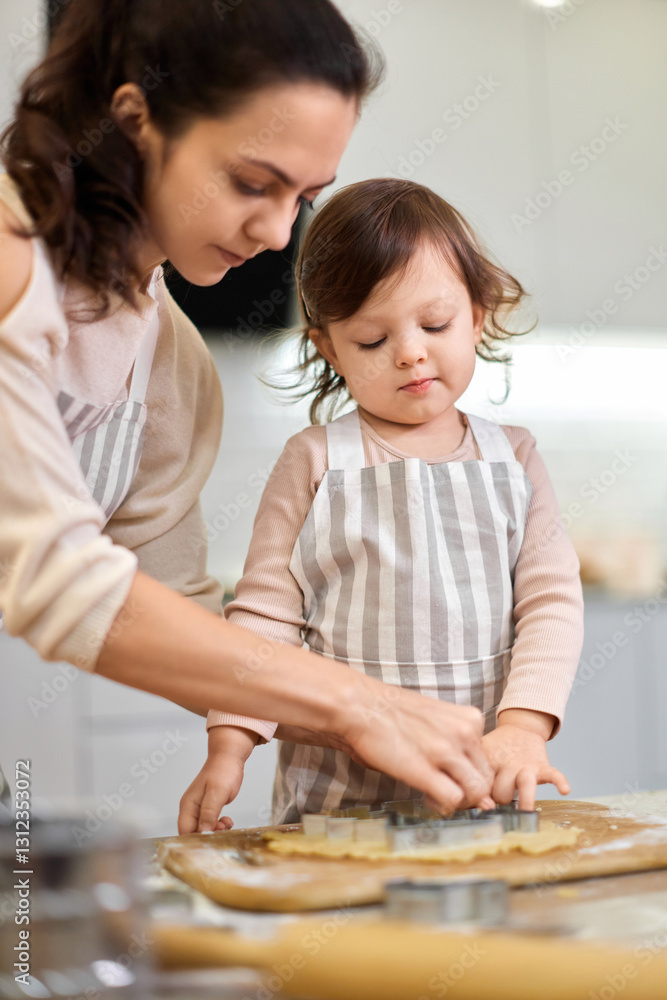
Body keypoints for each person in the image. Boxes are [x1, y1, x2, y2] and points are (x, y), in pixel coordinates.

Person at [0, 0, 495, 818]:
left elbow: (175, 608)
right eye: (251, 183)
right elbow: (56, 580)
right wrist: (355, 707)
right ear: (135, 120)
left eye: (302, 196)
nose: (274, 233)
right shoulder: (13, 261)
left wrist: (395, 711)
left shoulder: (169, 359)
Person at [180, 178, 585, 833]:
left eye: (434, 324)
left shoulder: (512, 456)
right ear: (328, 349)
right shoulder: (313, 460)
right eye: (371, 340)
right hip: (334, 796)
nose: (409, 352)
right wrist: (230, 746)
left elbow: (551, 603)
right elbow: (264, 616)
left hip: (477, 780)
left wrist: (522, 727)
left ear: (476, 316)